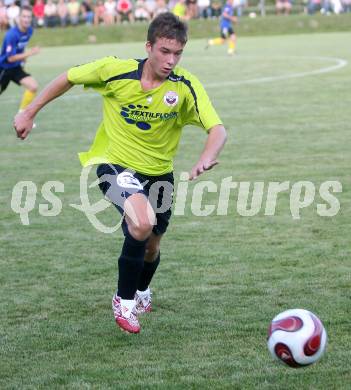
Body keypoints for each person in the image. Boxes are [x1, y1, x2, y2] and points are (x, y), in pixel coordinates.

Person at [14, 12, 227, 334]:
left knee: (153, 244)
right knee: (141, 223)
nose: (171, 60)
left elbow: (217, 129)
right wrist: (29, 112)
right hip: (114, 164)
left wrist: (206, 157)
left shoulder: (185, 86)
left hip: (160, 174)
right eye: (164, 51)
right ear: (148, 46)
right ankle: (123, 301)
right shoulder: (116, 70)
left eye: (178, 53)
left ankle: (141, 291)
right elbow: (69, 76)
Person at [0, 6, 40, 114]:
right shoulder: (11, 35)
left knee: (33, 86)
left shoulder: (29, 31)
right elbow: (10, 58)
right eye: (24, 16)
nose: (26, 19)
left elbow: (20, 47)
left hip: (16, 67)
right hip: (4, 68)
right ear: (18, 18)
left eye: (29, 17)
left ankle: (22, 115)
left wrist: (23, 59)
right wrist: (30, 53)